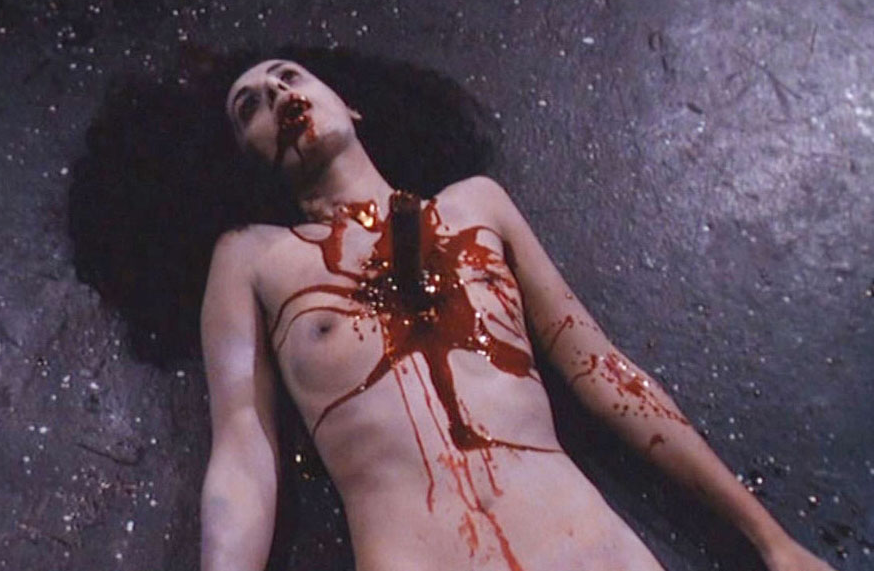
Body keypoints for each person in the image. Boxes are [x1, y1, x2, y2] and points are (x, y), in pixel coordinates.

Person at [200, 58, 838, 571]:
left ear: (350, 105)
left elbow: (598, 366)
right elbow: (243, 449)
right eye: (248, 106)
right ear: (250, 156)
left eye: (289, 76)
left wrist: (771, 542)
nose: (276, 94)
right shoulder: (253, 259)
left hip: (585, 548)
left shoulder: (476, 206)